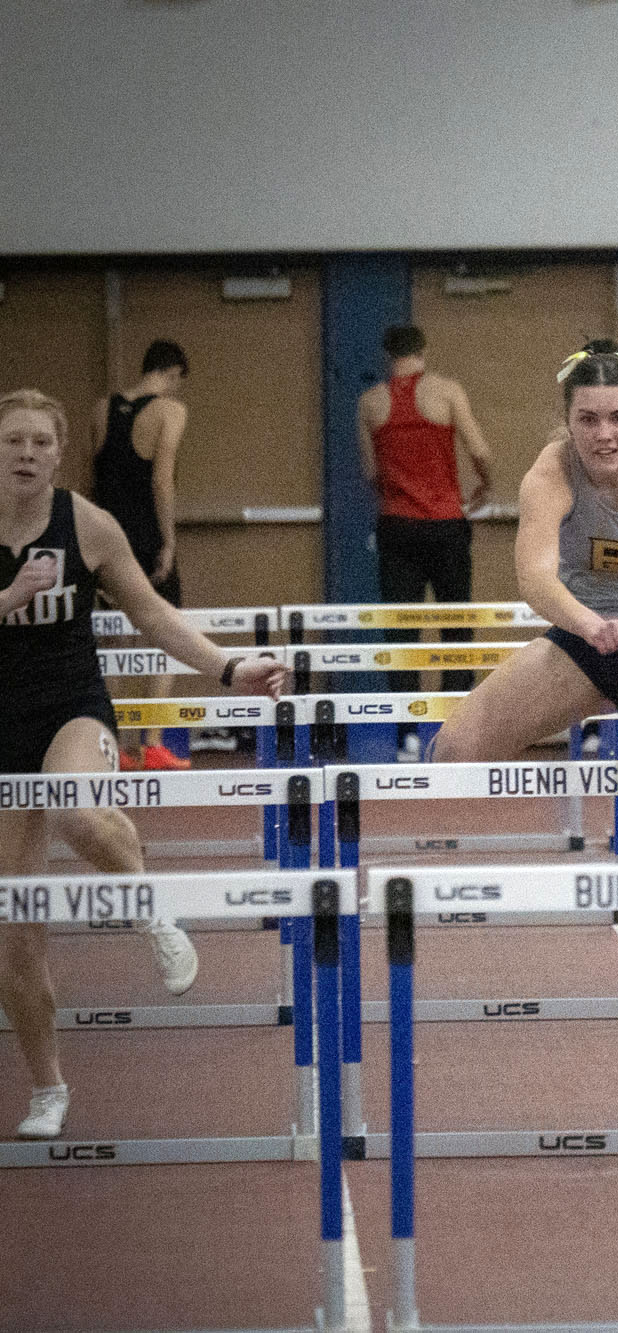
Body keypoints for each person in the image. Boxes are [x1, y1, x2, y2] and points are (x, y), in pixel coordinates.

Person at [0, 389, 289, 1139]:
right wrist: (8, 596)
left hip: (71, 707)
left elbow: (154, 614)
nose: (26, 453)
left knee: (77, 809)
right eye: (13, 441)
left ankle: (147, 904)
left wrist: (229, 668)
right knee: (13, 932)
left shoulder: (87, 525)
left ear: (59, 452)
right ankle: (47, 1088)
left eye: (39, 441)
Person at [427, 346, 618, 810]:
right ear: (569, 420)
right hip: (586, 638)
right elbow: (535, 578)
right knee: (454, 753)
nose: (604, 435)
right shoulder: (550, 474)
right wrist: (591, 626)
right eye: (588, 420)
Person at [357, 325, 496, 756]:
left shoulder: (369, 403)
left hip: (397, 526)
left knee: (402, 632)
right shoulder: (446, 392)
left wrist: (399, 493)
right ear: (423, 350)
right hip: (445, 523)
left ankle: (407, 734)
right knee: (456, 622)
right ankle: (455, 728)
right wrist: (485, 486)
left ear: (387, 355)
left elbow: (370, 472)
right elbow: (480, 450)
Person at [91, 339, 192, 771]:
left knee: (110, 642)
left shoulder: (101, 408)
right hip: (146, 536)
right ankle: (149, 743)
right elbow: (161, 481)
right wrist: (167, 541)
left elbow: (89, 477)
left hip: (104, 533)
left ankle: (111, 744)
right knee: (167, 633)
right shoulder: (171, 410)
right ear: (172, 374)